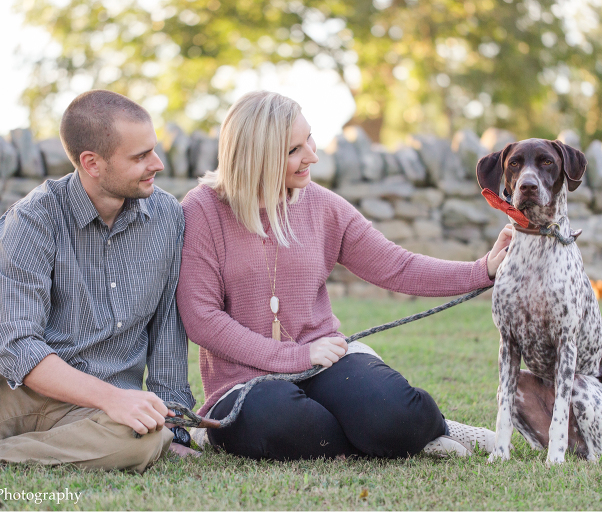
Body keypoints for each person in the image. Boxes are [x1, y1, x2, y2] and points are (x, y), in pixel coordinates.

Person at [176, 91, 513, 460]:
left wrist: (483, 269)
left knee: (392, 413)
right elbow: (202, 320)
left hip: (326, 359)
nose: (313, 156)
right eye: (293, 150)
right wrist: (295, 356)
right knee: (275, 421)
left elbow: (396, 265)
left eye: (310, 139)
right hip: (243, 383)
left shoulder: (321, 205)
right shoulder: (202, 210)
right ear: (257, 158)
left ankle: (430, 429)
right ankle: (391, 440)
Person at [0, 90, 196, 472]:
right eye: (140, 156)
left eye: (153, 150)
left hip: (91, 409)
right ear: (92, 163)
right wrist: (111, 397)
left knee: (145, 440)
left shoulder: (167, 218)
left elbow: (167, 330)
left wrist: (175, 424)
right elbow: (17, 345)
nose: (156, 163)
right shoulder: (30, 220)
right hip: (5, 384)